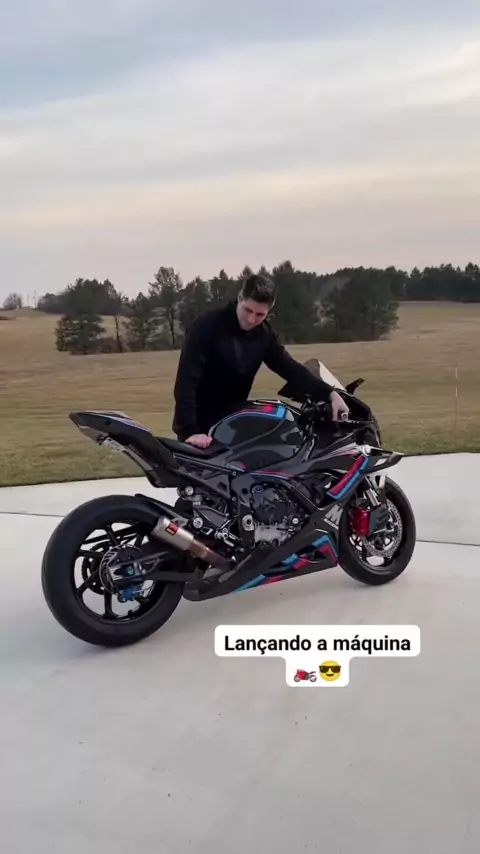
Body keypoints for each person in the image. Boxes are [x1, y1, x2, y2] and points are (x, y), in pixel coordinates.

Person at [172, 273, 350, 447]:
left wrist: (330, 394)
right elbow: (186, 382)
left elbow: (291, 369)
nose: (251, 319)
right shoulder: (205, 326)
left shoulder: (264, 335)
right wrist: (190, 431)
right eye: (248, 310)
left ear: (268, 312)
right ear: (240, 298)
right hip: (198, 428)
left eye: (260, 314)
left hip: (232, 424)